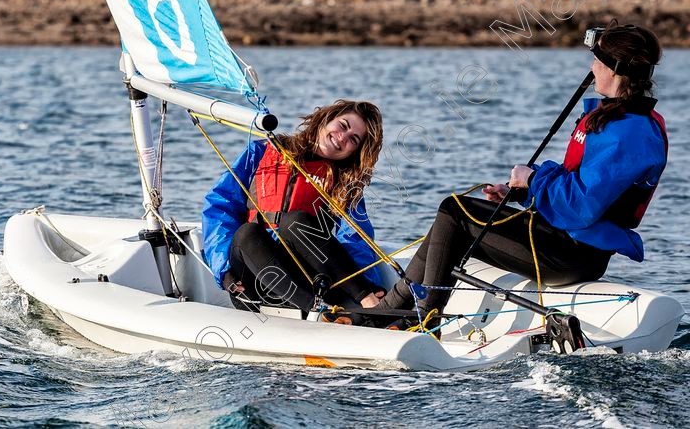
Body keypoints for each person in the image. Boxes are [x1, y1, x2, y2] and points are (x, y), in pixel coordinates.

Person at [373, 21, 668, 331]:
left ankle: (423, 320)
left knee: (454, 212)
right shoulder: (617, 118)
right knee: (452, 215)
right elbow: (579, 185)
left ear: (614, 68)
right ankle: (387, 311)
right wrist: (521, 191)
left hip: (572, 253)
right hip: (561, 238)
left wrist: (533, 180)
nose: (592, 66)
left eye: (597, 59)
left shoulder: (631, 133)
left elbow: (581, 205)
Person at [202, 100, 387, 313]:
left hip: (309, 280)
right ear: (326, 119)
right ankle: (318, 311)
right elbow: (219, 208)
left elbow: (355, 236)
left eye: (353, 139)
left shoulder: (343, 182)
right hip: (253, 282)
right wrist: (223, 270)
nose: (342, 137)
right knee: (247, 233)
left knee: (295, 221)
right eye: (343, 125)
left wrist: (366, 282)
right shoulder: (261, 152)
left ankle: (364, 301)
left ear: (354, 152)